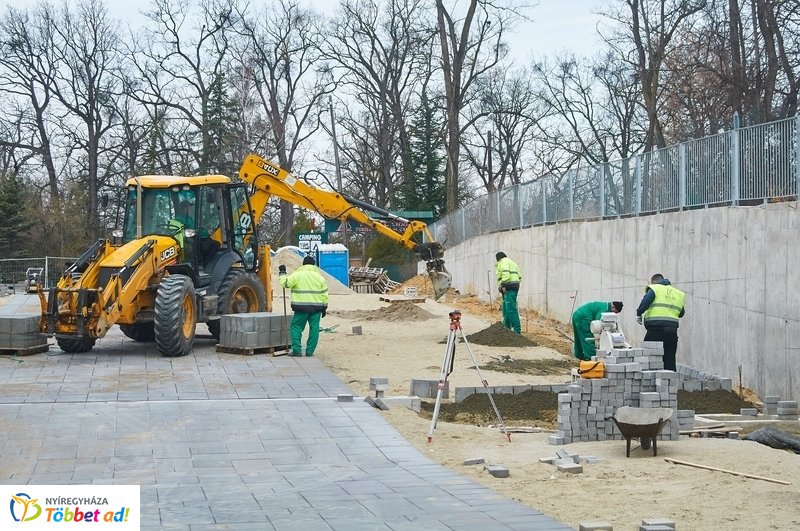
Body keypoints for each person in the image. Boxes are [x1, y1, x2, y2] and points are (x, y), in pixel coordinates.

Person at [278, 256, 329, 357]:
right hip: (316, 308)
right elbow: (324, 294)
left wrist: (282, 273)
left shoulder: (297, 275)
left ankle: (297, 350)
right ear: (314, 265)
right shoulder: (319, 277)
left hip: (301, 308)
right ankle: (310, 352)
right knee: (314, 329)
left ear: (303, 264)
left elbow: (285, 283)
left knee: (296, 327)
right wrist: (324, 307)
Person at [636, 273, 685, 371]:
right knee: (669, 357)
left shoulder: (655, 288)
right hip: (671, 330)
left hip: (655, 328)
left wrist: (639, 313)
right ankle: (669, 383)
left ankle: (650, 382)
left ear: (654, 281)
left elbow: (646, 301)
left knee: (649, 355)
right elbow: (681, 313)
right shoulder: (677, 293)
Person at [494, 252, 522, 334]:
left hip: (508, 288)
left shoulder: (503, 262)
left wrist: (502, 285)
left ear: (498, 259)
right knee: (505, 310)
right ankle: (506, 330)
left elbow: (506, 275)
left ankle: (517, 331)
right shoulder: (512, 262)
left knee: (511, 310)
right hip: (514, 286)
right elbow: (519, 277)